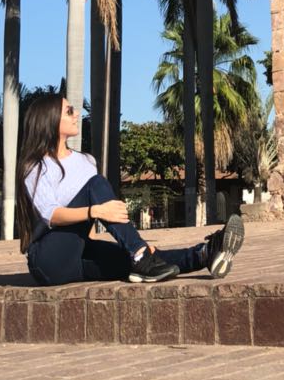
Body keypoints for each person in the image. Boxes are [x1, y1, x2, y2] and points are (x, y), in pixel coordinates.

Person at [16, 91, 244, 286]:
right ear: (50, 119)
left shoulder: (86, 161)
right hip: (48, 259)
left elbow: (86, 230)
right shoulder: (35, 166)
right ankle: (140, 252)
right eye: (69, 111)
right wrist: (93, 212)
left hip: (79, 253)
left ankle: (204, 254)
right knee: (97, 185)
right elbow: (52, 215)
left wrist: (129, 243)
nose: (76, 114)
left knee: (140, 262)